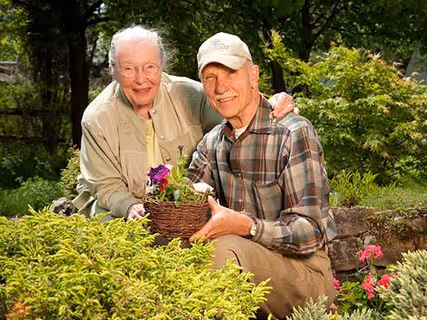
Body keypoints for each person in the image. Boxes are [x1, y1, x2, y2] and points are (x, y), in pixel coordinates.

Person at [73, 25, 295, 221]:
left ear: (162, 66)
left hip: (183, 212)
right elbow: (105, 185)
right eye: (129, 69)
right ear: (113, 70)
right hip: (119, 209)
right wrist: (130, 206)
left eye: (149, 67)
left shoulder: (190, 95)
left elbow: (237, 107)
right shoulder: (97, 118)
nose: (141, 79)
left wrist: (271, 103)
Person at [187, 32, 337, 319]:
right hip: (246, 260)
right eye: (210, 78)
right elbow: (186, 202)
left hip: (305, 272)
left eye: (231, 73)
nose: (221, 87)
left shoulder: (292, 133)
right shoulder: (211, 143)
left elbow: (311, 231)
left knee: (221, 250)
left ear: (253, 75)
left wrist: (247, 226)